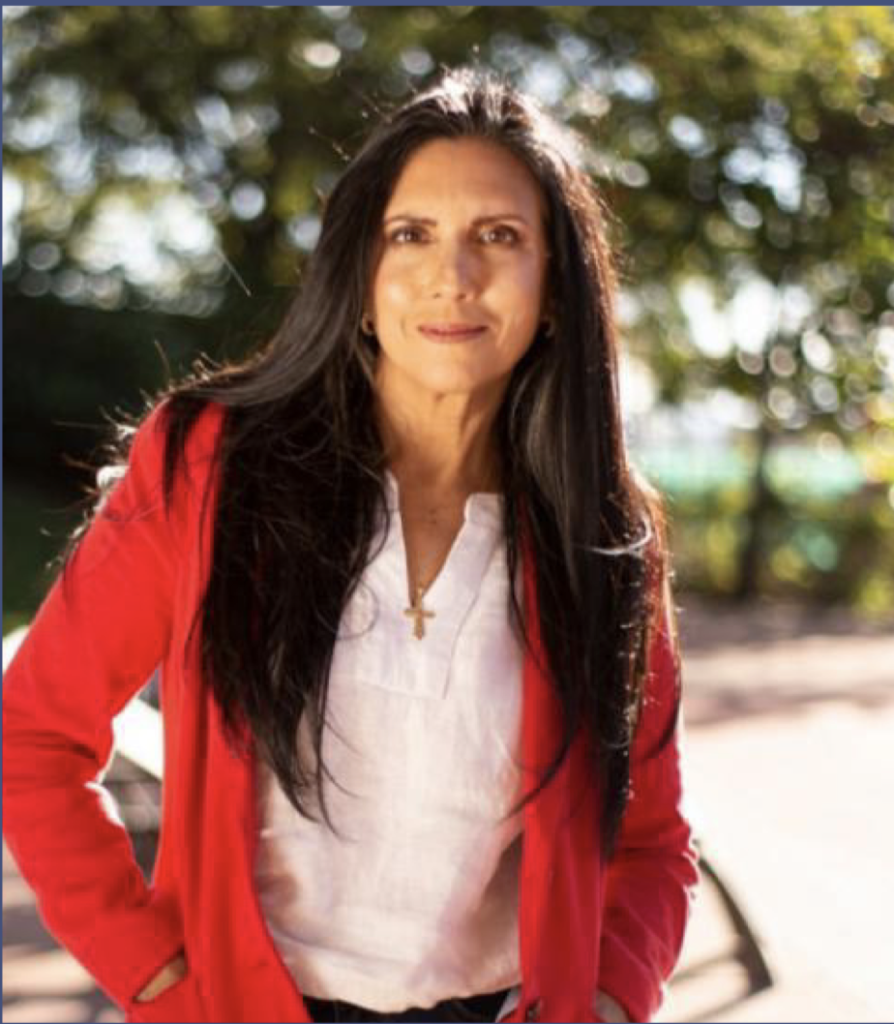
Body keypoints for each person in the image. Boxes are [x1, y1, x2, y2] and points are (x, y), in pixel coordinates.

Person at [3, 68, 698, 1024]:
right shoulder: (211, 467)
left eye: (499, 236)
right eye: (411, 234)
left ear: (556, 289)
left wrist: (610, 1002)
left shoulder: (606, 535)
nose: (453, 275)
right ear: (360, 278)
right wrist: (154, 975)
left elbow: (653, 842)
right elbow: (33, 737)